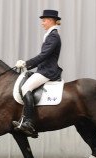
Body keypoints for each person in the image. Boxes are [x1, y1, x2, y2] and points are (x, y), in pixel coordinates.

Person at [13, 9, 63, 138]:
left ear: (51, 21)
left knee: (25, 87)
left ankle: (29, 122)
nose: (42, 23)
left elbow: (43, 55)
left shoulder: (53, 36)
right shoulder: (49, 35)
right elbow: (43, 58)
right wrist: (28, 66)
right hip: (43, 69)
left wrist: (26, 63)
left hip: (48, 71)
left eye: (44, 20)